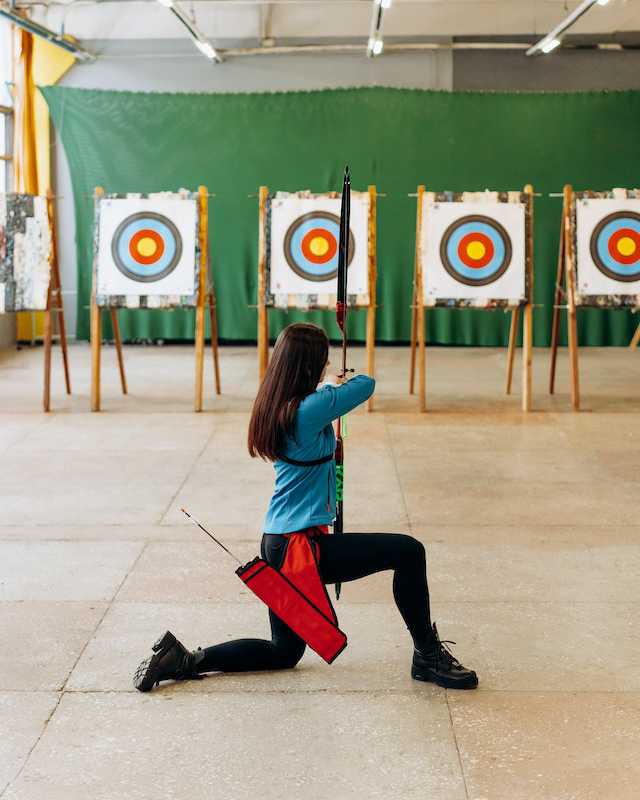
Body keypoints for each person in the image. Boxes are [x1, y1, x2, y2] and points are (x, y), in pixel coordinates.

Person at [133, 323, 477, 692]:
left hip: (277, 542)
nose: (328, 362)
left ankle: (182, 659)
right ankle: (427, 655)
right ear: (309, 365)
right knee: (408, 551)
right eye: (323, 358)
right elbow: (367, 385)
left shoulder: (277, 404)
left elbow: (326, 401)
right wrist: (332, 384)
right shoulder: (309, 410)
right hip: (300, 550)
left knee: (284, 652)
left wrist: (325, 386)